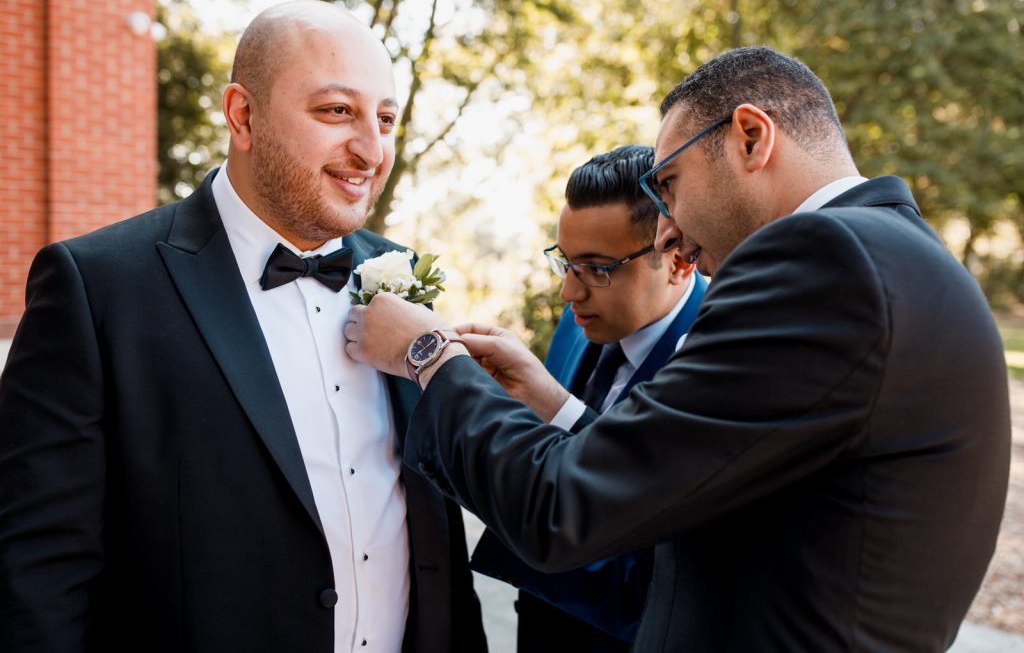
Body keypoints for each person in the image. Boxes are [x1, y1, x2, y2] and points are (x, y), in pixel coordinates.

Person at [344, 46, 1012, 651]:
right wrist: (555, 404)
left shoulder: (823, 260)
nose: (669, 231)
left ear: (750, 137)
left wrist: (430, 353)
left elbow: (563, 508)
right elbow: (698, 477)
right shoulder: (902, 259)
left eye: (668, 184)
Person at [0, 0, 485, 653]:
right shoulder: (96, 289)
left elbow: (434, 532)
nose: (371, 149)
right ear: (243, 115)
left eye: (387, 118)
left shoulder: (401, 280)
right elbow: (39, 574)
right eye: (337, 111)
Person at [469, 144, 706, 652]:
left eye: (598, 268)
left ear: (678, 259)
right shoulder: (581, 323)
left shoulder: (723, 351)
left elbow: (665, 559)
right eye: (566, 263)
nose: (569, 295)